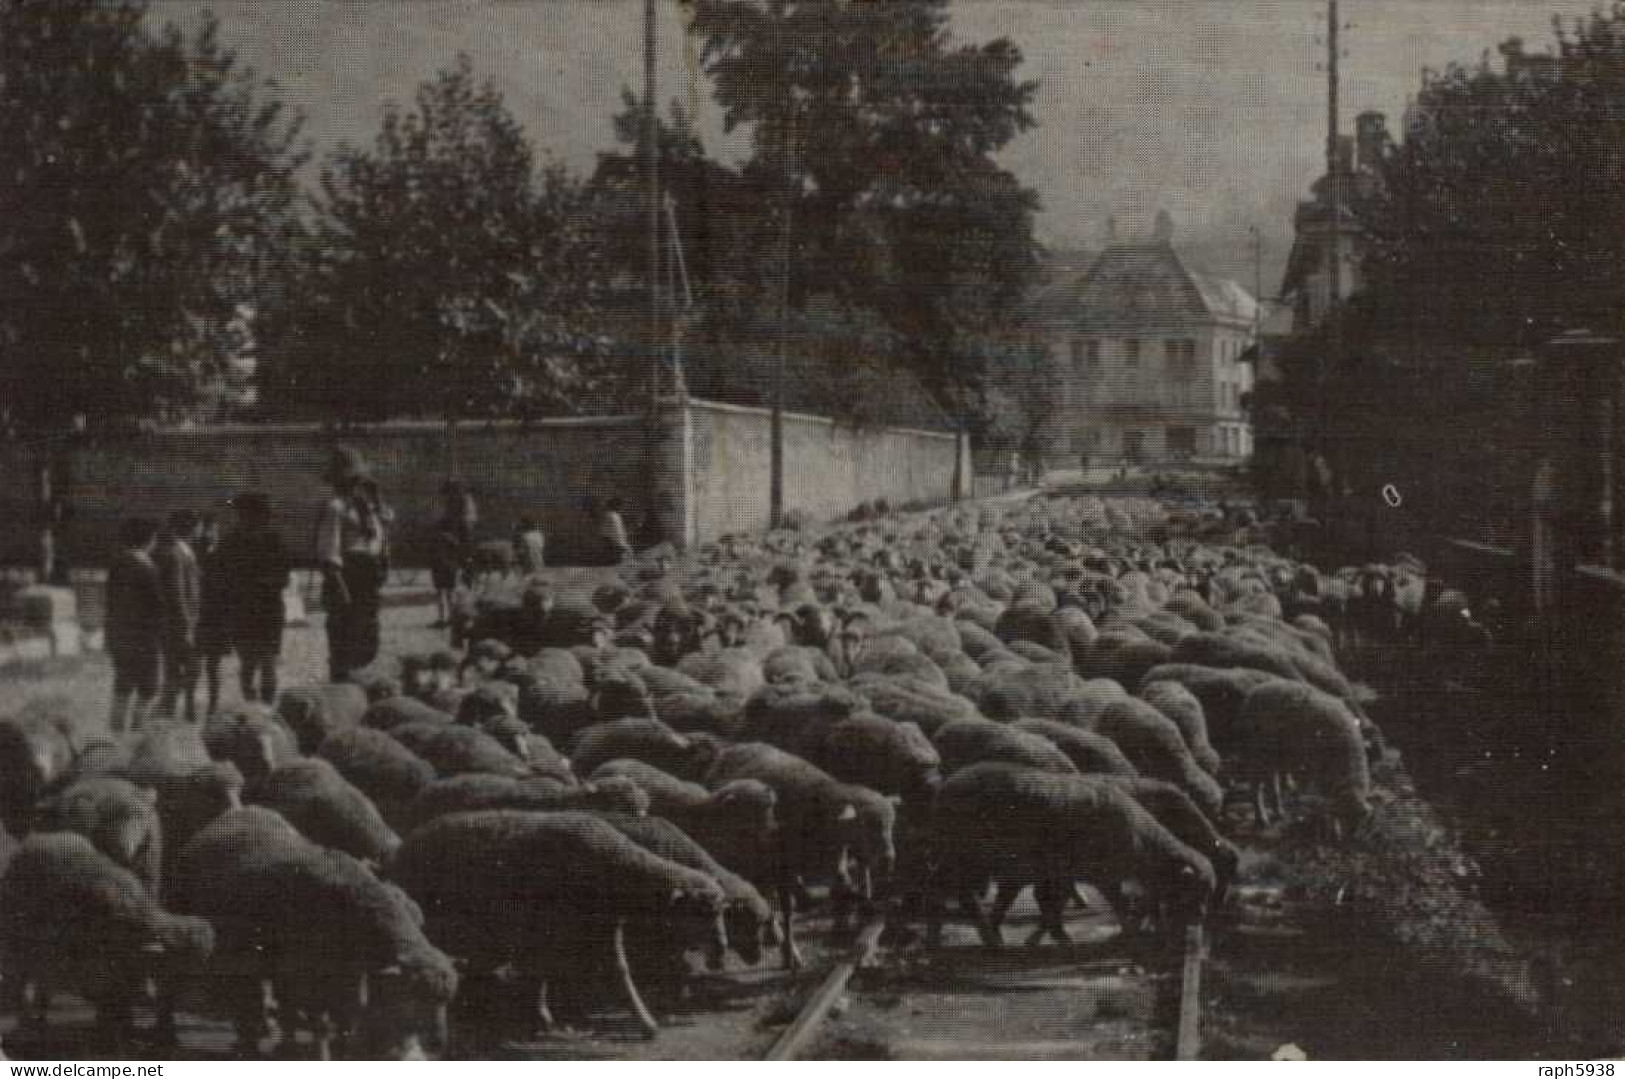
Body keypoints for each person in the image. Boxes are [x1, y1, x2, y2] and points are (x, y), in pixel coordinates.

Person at [315, 446, 388, 682]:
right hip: (348, 577)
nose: (355, 483)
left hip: (368, 576)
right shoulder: (335, 508)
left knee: (367, 638)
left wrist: (376, 498)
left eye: (357, 479)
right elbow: (329, 551)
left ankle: (357, 684)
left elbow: (386, 521)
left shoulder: (365, 506)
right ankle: (342, 687)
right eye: (350, 479)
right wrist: (339, 588)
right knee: (344, 638)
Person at [218, 491, 293, 704]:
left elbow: (284, 576)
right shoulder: (229, 543)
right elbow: (221, 577)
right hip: (243, 610)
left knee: (267, 662)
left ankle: (267, 705)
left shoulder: (274, 541)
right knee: (248, 663)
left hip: (267, 610)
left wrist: (255, 583)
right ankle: (251, 705)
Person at [106, 517, 163, 733]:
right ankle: (138, 733)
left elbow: (111, 605)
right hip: (144, 639)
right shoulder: (147, 568)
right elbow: (156, 607)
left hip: (121, 637)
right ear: (149, 540)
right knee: (149, 690)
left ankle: (116, 735)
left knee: (122, 689)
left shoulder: (117, 564)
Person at [156, 509, 203, 723]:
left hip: (184, 621)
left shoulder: (184, 552)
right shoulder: (175, 553)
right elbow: (177, 593)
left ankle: (178, 708)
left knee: (185, 669)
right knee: (182, 668)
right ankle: (168, 708)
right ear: (192, 528)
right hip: (179, 624)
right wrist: (186, 625)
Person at [194, 512, 230, 717]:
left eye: (212, 531)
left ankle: (213, 705)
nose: (209, 535)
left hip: (216, 616)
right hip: (200, 615)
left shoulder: (222, 556)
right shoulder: (193, 555)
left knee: (213, 666)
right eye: (206, 530)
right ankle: (191, 703)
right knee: (195, 663)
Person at [431, 481, 476, 628]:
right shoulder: (454, 516)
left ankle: (449, 617)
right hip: (444, 556)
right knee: (445, 589)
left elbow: (462, 539)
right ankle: (447, 617)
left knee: (449, 589)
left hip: (449, 556)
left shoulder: (457, 517)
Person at [597, 497, 633, 566]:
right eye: (622, 505)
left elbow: (619, 532)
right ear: (616, 505)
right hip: (614, 543)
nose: (624, 507)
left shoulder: (615, 515)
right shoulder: (611, 516)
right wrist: (623, 545)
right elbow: (614, 533)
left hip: (615, 543)